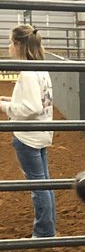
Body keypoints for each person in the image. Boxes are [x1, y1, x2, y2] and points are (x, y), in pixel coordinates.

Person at [0, 23, 56, 238]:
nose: (8, 47)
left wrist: (4, 106)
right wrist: (10, 100)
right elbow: (38, 101)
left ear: (17, 44)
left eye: (9, 42)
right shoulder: (40, 69)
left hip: (28, 137)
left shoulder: (28, 73)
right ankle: (47, 229)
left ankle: (43, 232)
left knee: (38, 187)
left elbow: (32, 107)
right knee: (45, 183)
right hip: (40, 134)